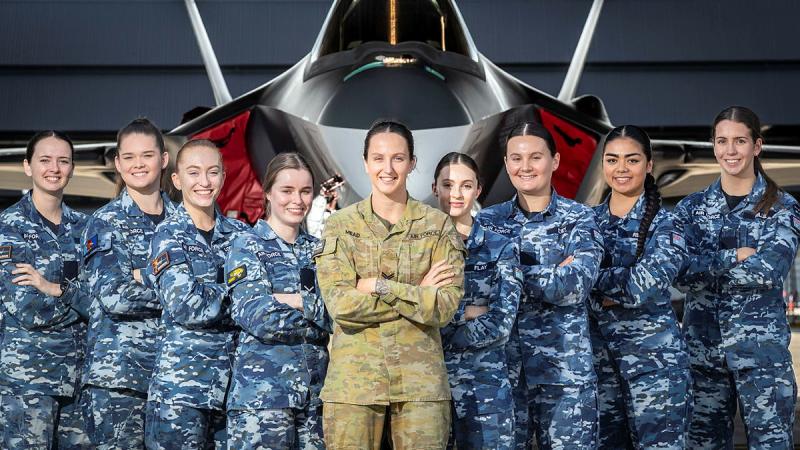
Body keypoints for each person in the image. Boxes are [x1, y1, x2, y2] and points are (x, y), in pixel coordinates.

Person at [314, 119, 466, 449]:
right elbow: (341, 305)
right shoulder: (340, 226)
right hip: (354, 387)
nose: (388, 168)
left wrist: (381, 287)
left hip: (420, 386)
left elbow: (443, 308)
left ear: (412, 163)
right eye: (379, 158)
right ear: (366, 162)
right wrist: (418, 293)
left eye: (398, 158)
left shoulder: (437, 226)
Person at [675, 106, 800, 449]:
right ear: (713, 146)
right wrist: (733, 257)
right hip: (703, 358)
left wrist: (703, 267)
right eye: (722, 141)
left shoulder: (783, 208)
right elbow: (678, 272)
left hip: (761, 359)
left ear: (756, 146)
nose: (730, 150)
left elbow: (769, 271)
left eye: (740, 141)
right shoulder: (691, 209)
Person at [476, 121, 602, 450]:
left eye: (536, 157)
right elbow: (476, 288)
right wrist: (551, 271)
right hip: (504, 375)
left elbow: (575, 285)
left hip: (564, 377)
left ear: (555, 161)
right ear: (506, 164)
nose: (525, 167)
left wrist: (508, 273)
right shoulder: (488, 222)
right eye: (516, 159)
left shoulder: (579, 218)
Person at [589, 125, 691, 449]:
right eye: (612, 159)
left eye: (631, 160)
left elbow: (640, 287)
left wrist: (594, 284)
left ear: (648, 165)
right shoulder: (584, 222)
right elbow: (570, 286)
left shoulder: (667, 224)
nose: (621, 169)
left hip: (656, 371)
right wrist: (605, 287)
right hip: (600, 371)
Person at [144, 139, 249, 449]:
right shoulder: (167, 235)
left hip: (235, 389)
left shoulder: (242, 235)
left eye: (212, 172)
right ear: (177, 180)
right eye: (194, 172)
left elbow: (264, 299)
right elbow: (186, 305)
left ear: (223, 177)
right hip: (182, 392)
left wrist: (213, 292)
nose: (204, 182)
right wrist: (240, 297)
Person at [81, 118, 177, 448]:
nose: (139, 164)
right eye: (130, 157)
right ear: (118, 164)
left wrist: (141, 275)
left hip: (176, 378)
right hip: (120, 380)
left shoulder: (184, 222)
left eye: (147, 155)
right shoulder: (106, 222)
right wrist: (174, 286)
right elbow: (114, 296)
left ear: (163, 160)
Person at [224, 152, 330, 449]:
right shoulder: (246, 246)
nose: (297, 200)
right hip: (263, 400)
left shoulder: (320, 252)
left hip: (315, 400)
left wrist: (292, 299)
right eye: (287, 190)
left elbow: (340, 312)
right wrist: (316, 309)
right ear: (268, 192)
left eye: (305, 191)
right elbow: (258, 317)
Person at [0, 131, 91, 448]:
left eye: (63, 161)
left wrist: (52, 287)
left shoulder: (86, 228)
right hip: (28, 383)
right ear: (27, 167)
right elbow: (26, 307)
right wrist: (78, 300)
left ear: (72, 168)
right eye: (45, 160)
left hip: (79, 382)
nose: (55, 168)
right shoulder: (9, 227)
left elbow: (103, 302)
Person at [432, 152, 521, 450]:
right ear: (434, 188)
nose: (456, 194)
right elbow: (407, 314)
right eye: (447, 185)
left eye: (466, 186)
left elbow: (502, 322)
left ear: (478, 190)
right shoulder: (413, 247)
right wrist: (469, 311)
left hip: (486, 389)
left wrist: (441, 317)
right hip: (431, 388)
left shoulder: (500, 247)